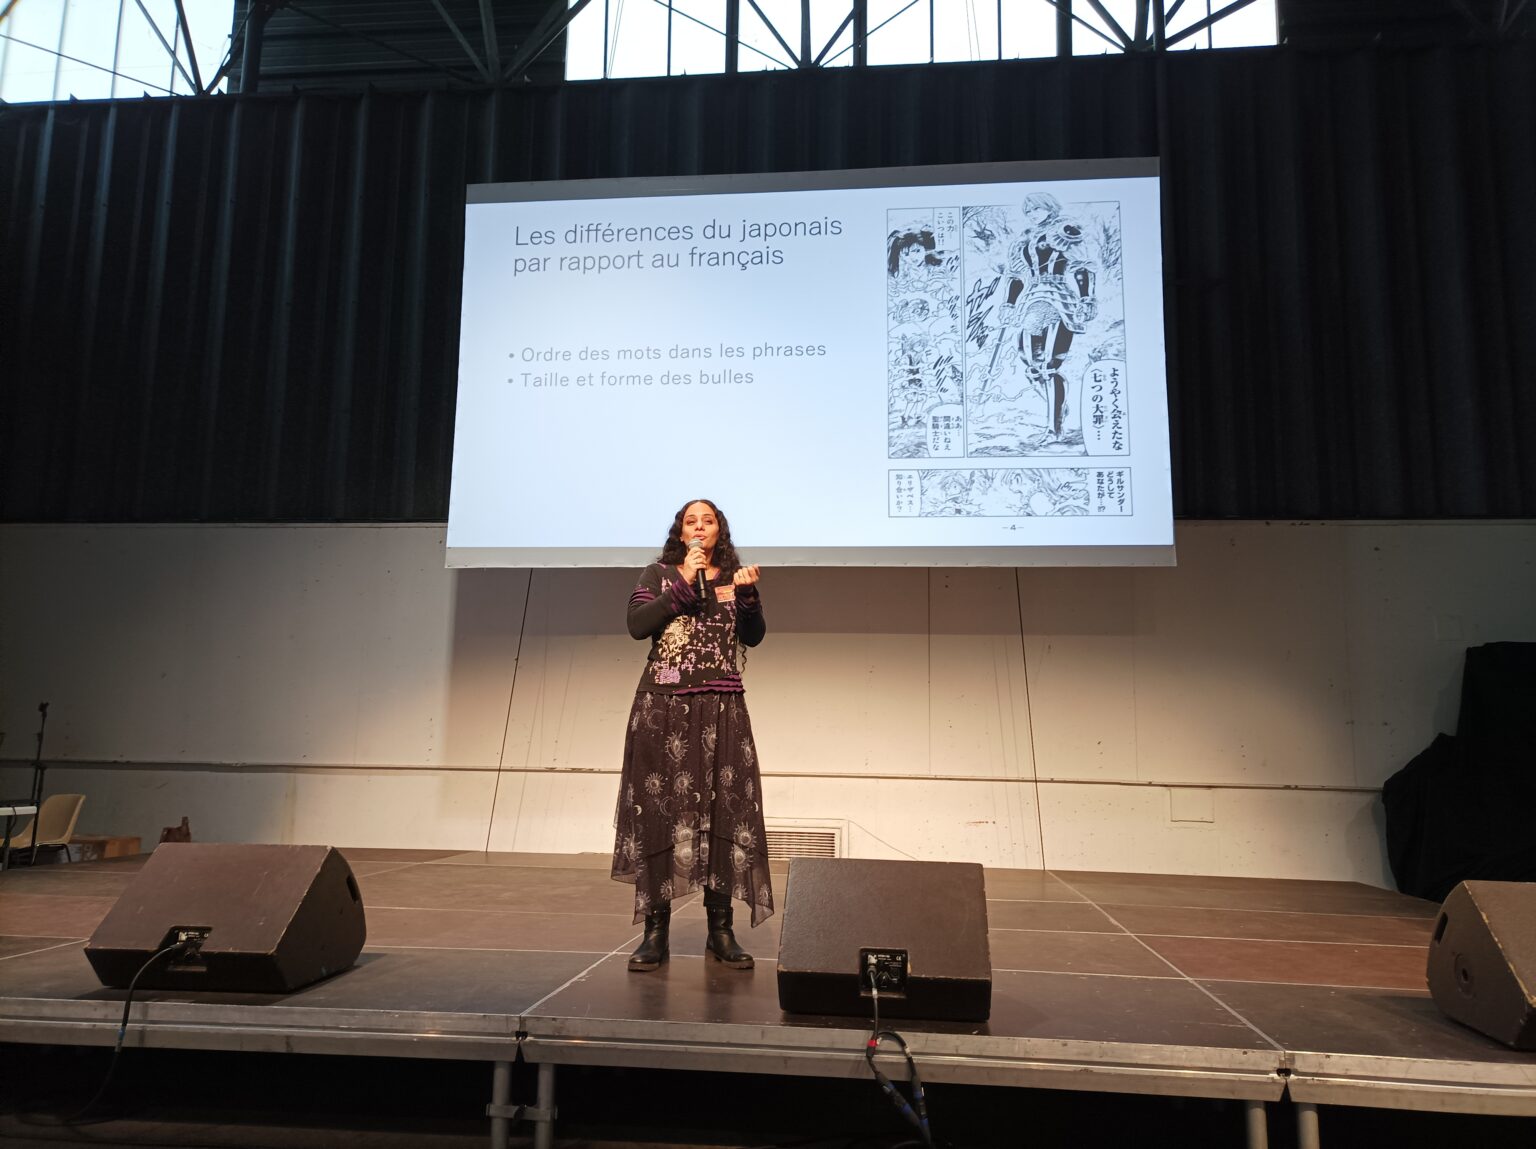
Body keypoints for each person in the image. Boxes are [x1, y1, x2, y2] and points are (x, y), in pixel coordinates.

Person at [612, 499, 772, 972]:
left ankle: (720, 930)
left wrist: (748, 598)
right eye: (691, 521)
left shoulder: (733, 578)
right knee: (659, 812)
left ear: (720, 531)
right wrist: (684, 580)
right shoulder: (658, 574)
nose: (699, 527)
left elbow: (754, 637)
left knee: (725, 811)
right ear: (681, 533)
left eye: (708, 521)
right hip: (663, 707)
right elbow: (637, 626)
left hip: (721, 708)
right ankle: (654, 931)